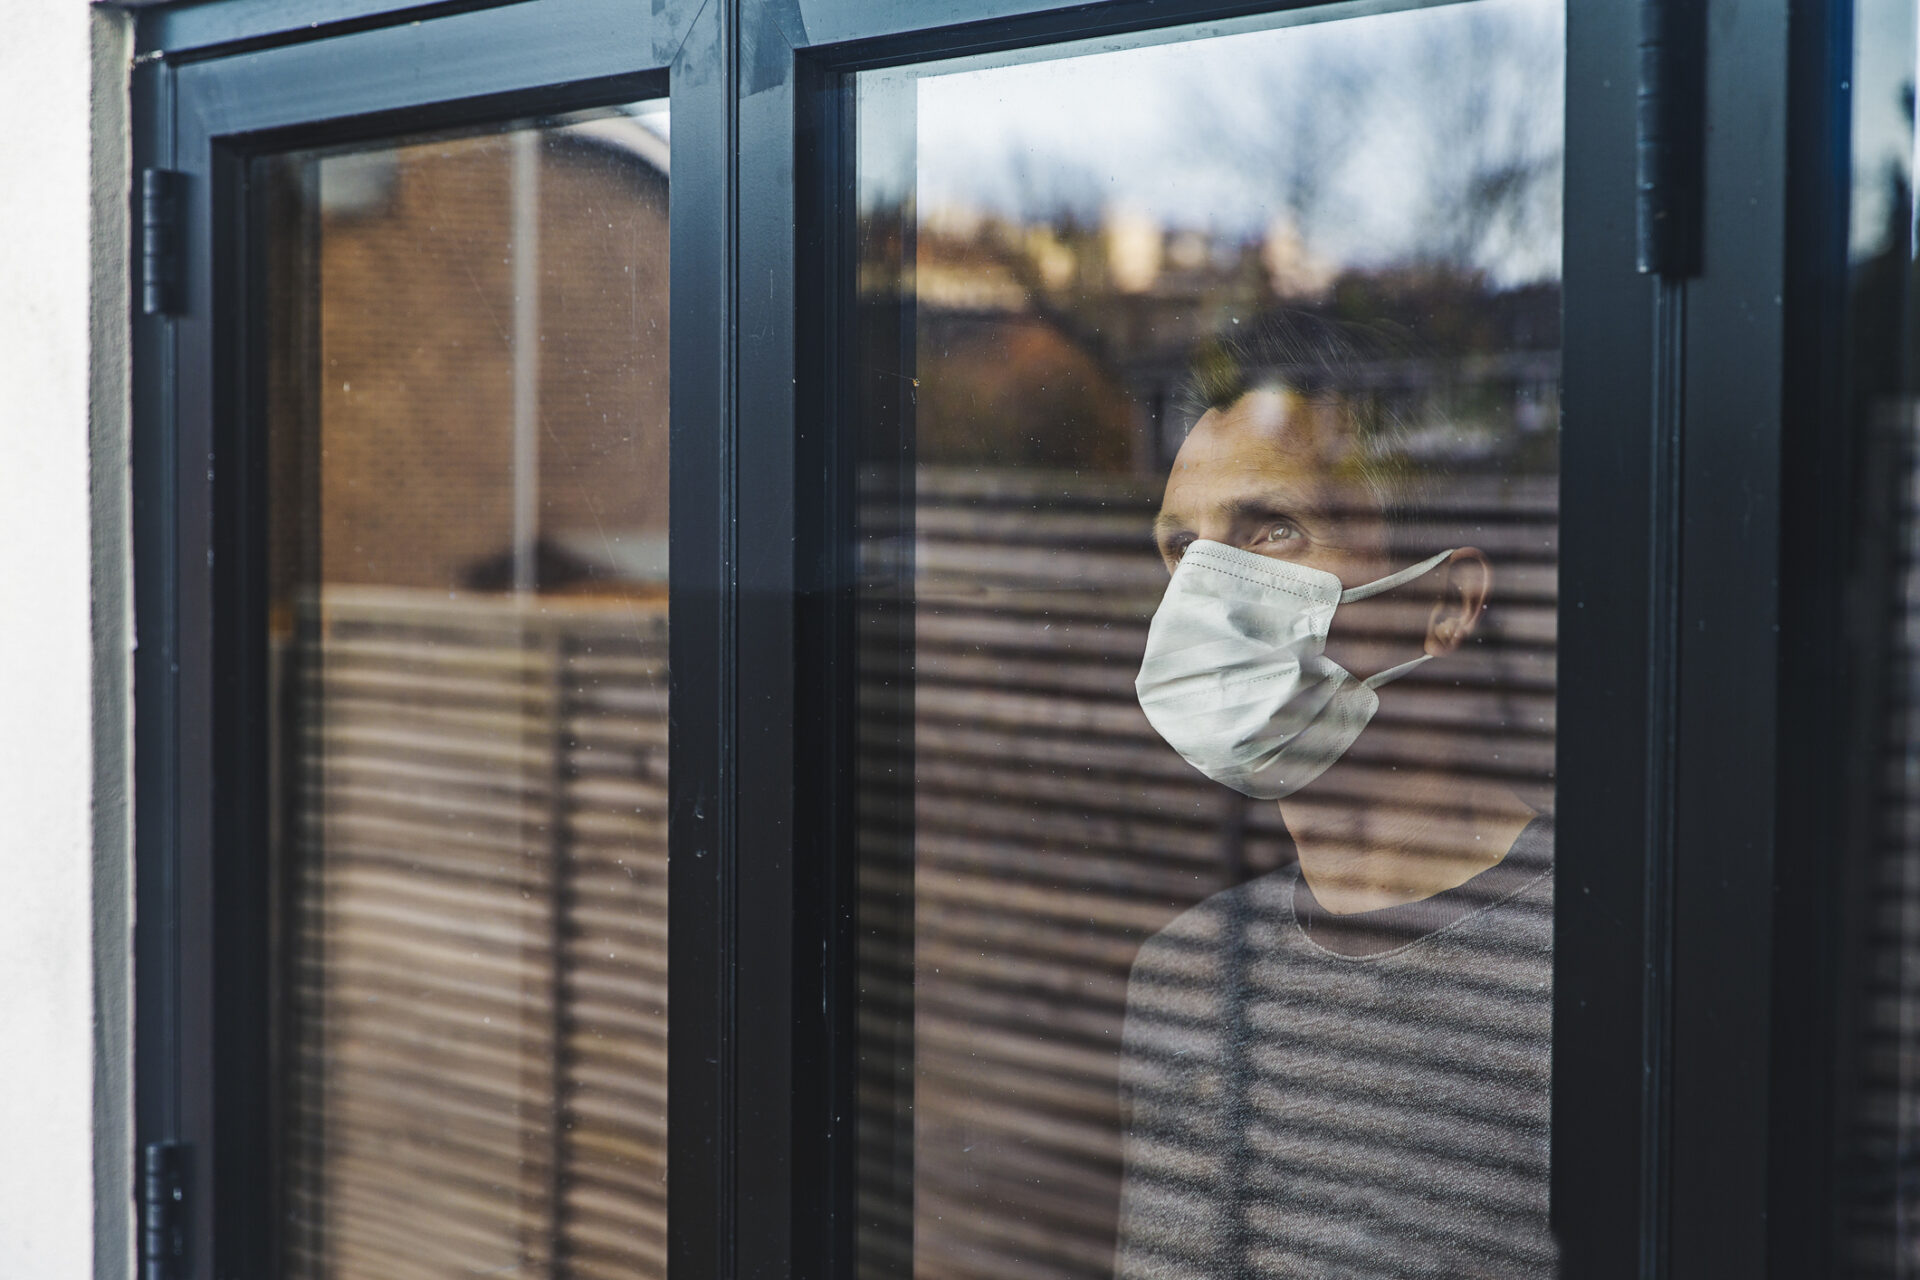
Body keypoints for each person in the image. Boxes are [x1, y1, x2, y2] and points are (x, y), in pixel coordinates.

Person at [1115, 312, 1556, 1278]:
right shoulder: (1185, 978)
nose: (1202, 597)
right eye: (1181, 550)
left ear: (1447, 601)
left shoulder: (1601, 970)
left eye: (1272, 530)